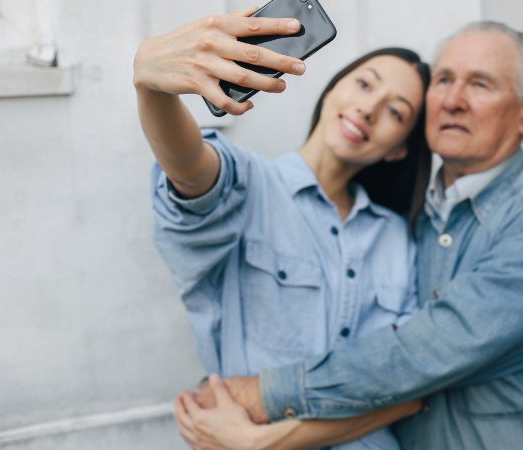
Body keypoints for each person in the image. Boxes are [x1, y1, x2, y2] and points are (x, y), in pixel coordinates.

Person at [187, 20, 523, 450]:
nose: (453, 100)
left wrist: (262, 397)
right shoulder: (415, 219)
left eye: (480, 85)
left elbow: (424, 354)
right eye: (445, 79)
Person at [133, 7, 434, 449]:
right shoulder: (249, 185)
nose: (369, 108)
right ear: (333, 90)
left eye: (396, 112)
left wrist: (268, 442)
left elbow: (407, 390)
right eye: (365, 84)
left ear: (398, 151)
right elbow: (190, 171)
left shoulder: (398, 239)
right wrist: (153, 88)